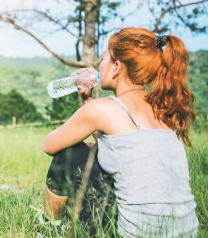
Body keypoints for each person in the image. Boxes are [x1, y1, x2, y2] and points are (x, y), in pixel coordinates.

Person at [41, 27, 199, 237]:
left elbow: (49, 145)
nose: (100, 64)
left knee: (71, 151)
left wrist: (89, 110)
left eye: (104, 57)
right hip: (187, 233)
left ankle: (49, 226)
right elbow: (119, 148)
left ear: (116, 66)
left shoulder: (102, 109)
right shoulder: (164, 110)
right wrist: (87, 100)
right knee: (92, 150)